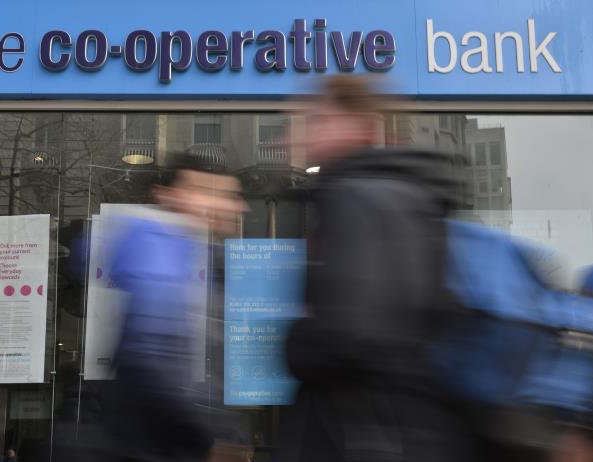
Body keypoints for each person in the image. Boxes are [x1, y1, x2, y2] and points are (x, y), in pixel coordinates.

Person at [275, 76, 475, 462]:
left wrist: (297, 340)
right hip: (402, 428)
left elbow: (351, 331)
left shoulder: (357, 198)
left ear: (359, 125)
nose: (299, 135)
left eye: (318, 120)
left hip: (360, 431)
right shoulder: (407, 196)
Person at [100, 152, 247, 462]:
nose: (229, 205)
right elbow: (152, 362)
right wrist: (211, 439)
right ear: (169, 196)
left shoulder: (193, 252)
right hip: (153, 445)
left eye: (228, 196)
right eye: (209, 193)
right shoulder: (157, 253)